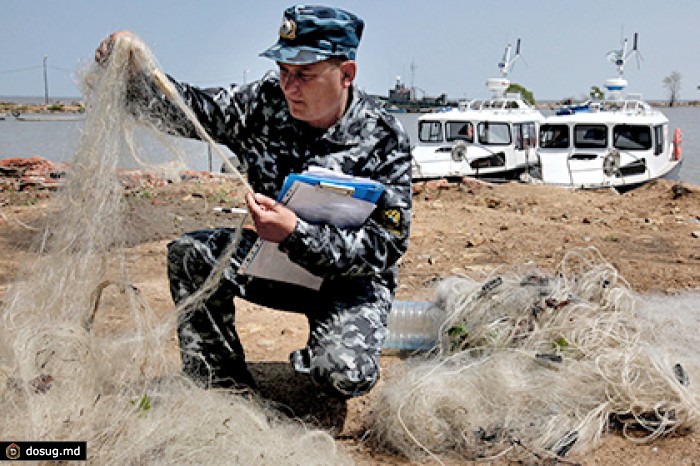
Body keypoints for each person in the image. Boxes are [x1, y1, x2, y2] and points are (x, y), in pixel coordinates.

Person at [95, 5, 412, 399]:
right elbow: (191, 111)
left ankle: (323, 351)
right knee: (191, 254)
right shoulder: (262, 105)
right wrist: (131, 73)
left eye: (304, 75)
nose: (289, 87)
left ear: (346, 74)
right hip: (278, 263)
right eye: (283, 71)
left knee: (343, 374)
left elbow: (388, 245)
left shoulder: (383, 137)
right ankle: (220, 382)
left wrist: (298, 233)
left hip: (348, 282)